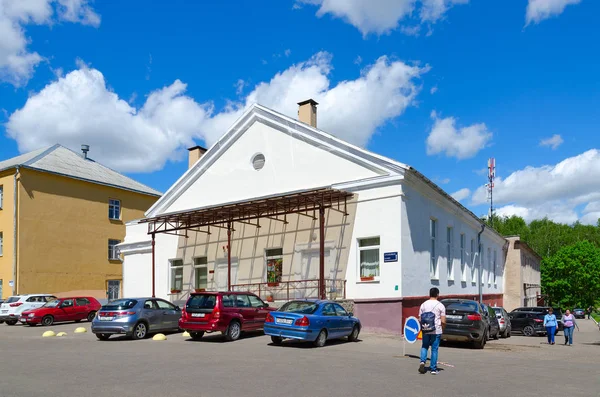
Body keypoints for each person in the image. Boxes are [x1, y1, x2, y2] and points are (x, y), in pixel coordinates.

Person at [418, 287, 446, 375]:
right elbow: (443, 321)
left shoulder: (423, 304)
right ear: (437, 294)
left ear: (429, 294)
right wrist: (443, 328)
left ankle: (422, 362)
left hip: (426, 329)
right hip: (436, 330)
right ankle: (433, 369)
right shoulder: (440, 305)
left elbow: (420, 318)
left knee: (424, 346)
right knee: (434, 349)